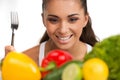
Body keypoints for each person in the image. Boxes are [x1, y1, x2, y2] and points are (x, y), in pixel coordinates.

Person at [5, 0, 98, 66]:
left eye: (72, 19)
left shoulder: (101, 60)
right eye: (53, 20)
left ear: (85, 19)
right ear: (43, 20)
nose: (63, 30)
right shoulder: (27, 60)